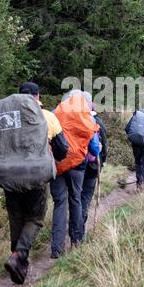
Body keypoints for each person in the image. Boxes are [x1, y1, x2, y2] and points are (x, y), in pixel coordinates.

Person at [0, 82, 68, 284]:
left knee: (16, 217)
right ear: (37, 96)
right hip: (35, 174)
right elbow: (62, 148)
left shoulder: (5, 117)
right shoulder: (46, 116)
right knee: (35, 218)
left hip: (7, 175)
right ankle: (18, 256)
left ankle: (17, 262)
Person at [50, 91, 100, 258]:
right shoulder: (87, 117)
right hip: (78, 166)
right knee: (76, 199)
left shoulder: (54, 113)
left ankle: (57, 248)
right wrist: (97, 149)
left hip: (56, 164)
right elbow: (93, 147)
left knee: (59, 202)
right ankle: (76, 241)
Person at [81, 106, 107, 239]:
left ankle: (76, 226)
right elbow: (104, 146)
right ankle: (80, 226)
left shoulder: (74, 120)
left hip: (75, 164)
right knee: (85, 196)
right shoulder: (97, 122)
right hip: (92, 165)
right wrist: (102, 162)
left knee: (75, 196)